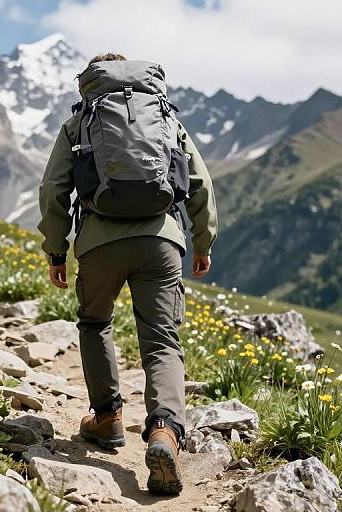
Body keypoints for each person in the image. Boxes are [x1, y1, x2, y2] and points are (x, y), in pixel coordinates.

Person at [38, 53, 217, 495]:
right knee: (161, 341)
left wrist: (55, 251)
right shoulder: (164, 116)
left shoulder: (80, 123)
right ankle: (164, 432)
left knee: (96, 323)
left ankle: (107, 418)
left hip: (99, 244)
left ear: (90, 82)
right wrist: (203, 241)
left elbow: (54, 189)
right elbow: (200, 183)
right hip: (162, 240)